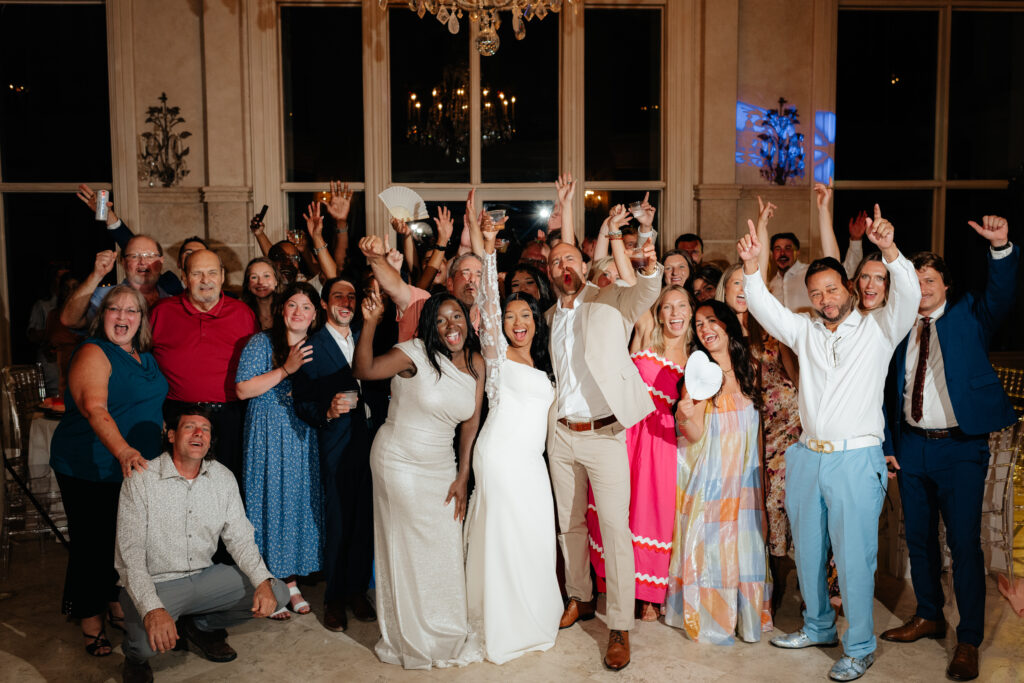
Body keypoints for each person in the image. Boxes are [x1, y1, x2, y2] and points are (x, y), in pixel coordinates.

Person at [737, 205, 920, 681]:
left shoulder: (880, 328)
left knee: (855, 559)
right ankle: (817, 627)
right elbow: (764, 308)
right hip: (806, 458)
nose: (824, 298)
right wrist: (752, 267)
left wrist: (890, 249)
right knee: (810, 554)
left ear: (850, 288)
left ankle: (859, 646)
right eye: (816, 293)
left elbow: (909, 294)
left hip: (856, 459)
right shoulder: (805, 331)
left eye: (832, 289)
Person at [880, 216, 1018, 682]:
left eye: (930, 281)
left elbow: (1000, 294)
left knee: (963, 543)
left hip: (960, 448)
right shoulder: (899, 326)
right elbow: (886, 391)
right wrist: (889, 443)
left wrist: (1000, 247)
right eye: (915, 281)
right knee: (918, 538)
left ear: (946, 285)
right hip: (912, 446)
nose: (922, 289)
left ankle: (969, 639)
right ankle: (928, 614)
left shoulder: (970, 314)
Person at [545, 197, 662, 671]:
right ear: (549, 272)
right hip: (561, 434)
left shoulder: (612, 299)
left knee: (614, 530)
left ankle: (619, 626)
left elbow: (648, 286)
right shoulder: (549, 317)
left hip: (605, 435)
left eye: (571, 257)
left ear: (586, 262)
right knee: (569, 526)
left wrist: (639, 235)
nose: (562, 265)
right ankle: (579, 597)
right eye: (555, 260)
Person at [353, 292, 485, 670]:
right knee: (407, 549)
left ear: (467, 319)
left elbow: (470, 423)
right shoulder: (414, 353)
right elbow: (363, 370)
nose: (450, 326)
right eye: (441, 320)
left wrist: (463, 475)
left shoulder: (476, 362)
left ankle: (444, 626)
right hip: (400, 462)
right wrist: (372, 323)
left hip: (442, 466)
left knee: (443, 546)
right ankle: (410, 634)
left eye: (456, 317)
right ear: (430, 325)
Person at [115, 407, 290, 683]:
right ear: (171, 435)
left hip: (204, 578)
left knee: (277, 592)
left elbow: (241, 539)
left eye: (205, 429)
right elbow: (130, 555)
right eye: (190, 427)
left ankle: (200, 626)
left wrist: (262, 582)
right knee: (147, 646)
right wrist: (153, 609)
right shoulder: (141, 479)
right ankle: (134, 658)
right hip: (157, 584)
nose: (199, 433)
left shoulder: (223, 478)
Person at [463, 214, 562, 664]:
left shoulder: (546, 366)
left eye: (525, 315)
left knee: (535, 537)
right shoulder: (498, 358)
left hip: (532, 465)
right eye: (510, 316)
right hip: (499, 458)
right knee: (503, 538)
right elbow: (486, 298)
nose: (517, 322)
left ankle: (532, 611)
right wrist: (488, 249)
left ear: (537, 321)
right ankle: (502, 621)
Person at [49, 285, 167, 658]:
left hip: (134, 468)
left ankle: (115, 604)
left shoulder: (144, 357)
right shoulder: (93, 352)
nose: (123, 317)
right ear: (102, 317)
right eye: (114, 309)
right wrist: (123, 450)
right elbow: (94, 408)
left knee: (125, 543)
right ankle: (90, 622)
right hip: (92, 466)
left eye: (132, 311)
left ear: (141, 320)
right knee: (93, 545)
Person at [665, 299, 772, 643]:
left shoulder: (750, 368)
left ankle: (748, 619)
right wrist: (684, 414)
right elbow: (693, 433)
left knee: (746, 545)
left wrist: (762, 483)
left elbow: (757, 431)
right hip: (714, 478)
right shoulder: (699, 375)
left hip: (747, 476)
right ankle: (714, 620)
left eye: (712, 321)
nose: (706, 329)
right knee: (716, 551)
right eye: (699, 325)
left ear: (727, 324)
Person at [588, 284, 692, 621]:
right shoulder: (646, 334)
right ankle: (618, 584)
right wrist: (638, 236)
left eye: (682, 306)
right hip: (626, 431)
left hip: (660, 443)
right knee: (618, 507)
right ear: (658, 313)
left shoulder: (695, 358)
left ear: (691, 311)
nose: (675, 313)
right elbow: (639, 283)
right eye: (667, 307)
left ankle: (648, 594)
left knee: (651, 514)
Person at [717, 260, 801, 614]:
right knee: (747, 514)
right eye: (734, 284)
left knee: (778, 507)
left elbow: (797, 380)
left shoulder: (771, 330)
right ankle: (753, 585)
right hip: (741, 436)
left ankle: (784, 583)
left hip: (782, 433)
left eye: (746, 284)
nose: (741, 290)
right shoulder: (714, 333)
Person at [235, 282, 323, 619]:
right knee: (270, 502)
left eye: (306, 306)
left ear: (315, 315)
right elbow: (243, 389)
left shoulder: (318, 345)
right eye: (292, 305)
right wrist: (286, 368)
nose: (298, 312)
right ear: (281, 310)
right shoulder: (261, 342)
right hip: (268, 433)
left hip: (303, 435)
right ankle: (269, 581)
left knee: (298, 503)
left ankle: (292, 580)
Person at [292, 276, 375, 633]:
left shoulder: (367, 335)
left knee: (364, 519)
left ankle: (358, 591)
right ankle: (335, 598)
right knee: (339, 520)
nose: (346, 301)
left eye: (351, 295)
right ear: (324, 304)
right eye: (338, 296)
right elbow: (302, 402)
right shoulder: (311, 346)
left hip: (371, 440)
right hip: (336, 443)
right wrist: (326, 411)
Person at [149, 249, 259, 485]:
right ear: (184, 277)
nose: (205, 280)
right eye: (197, 273)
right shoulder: (161, 312)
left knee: (227, 486)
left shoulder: (243, 314)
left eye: (211, 273)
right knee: (176, 485)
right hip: (177, 415)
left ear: (222, 276)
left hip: (229, 416)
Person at [360, 205, 476, 343]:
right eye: (427, 261)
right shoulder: (418, 296)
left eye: (441, 261)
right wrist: (410, 236)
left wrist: (465, 244)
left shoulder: (456, 295)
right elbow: (419, 274)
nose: (435, 264)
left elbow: (464, 265)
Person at [765, 183, 861, 315]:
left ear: (797, 251)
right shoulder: (771, 284)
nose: (782, 253)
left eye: (788, 248)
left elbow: (836, 264)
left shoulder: (810, 274)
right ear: (772, 254)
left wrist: (823, 210)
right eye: (777, 249)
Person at [75, 183, 187, 294]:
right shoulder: (108, 296)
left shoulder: (175, 289)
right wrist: (108, 215)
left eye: (149, 256)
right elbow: (134, 247)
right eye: (187, 253)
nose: (143, 262)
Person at [60, 233, 175, 330]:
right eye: (134, 256)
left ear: (160, 262)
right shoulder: (105, 296)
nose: (143, 262)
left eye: (150, 256)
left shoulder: (172, 301)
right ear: (123, 262)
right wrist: (96, 275)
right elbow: (69, 320)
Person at [240, 257, 284, 331]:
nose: (260, 282)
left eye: (266, 276)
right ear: (248, 284)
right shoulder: (241, 313)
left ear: (276, 280)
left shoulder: (287, 309)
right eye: (254, 277)